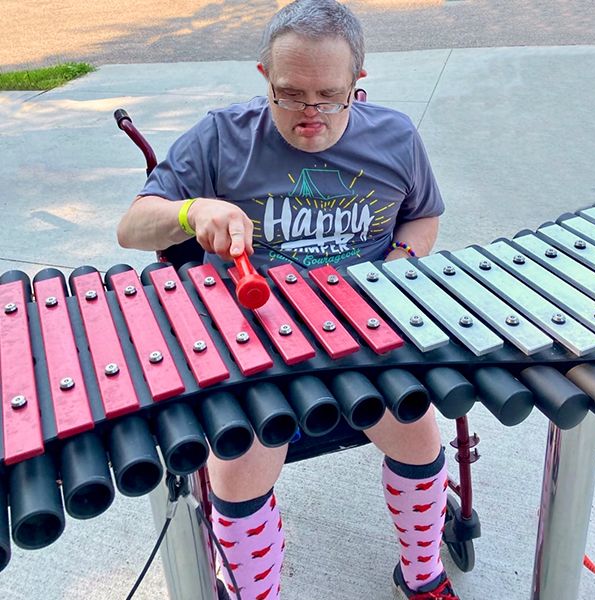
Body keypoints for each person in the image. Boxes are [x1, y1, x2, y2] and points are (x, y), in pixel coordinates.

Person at [117, 1, 458, 598]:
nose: (310, 114)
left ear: (359, 83)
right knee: (237, 463)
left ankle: (423, 575)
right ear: (263, 78)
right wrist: (192, 210)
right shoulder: (220, 138)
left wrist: (395, 274)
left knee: (421, 434)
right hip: (255, 343)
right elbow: (132, 228)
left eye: (329, 95)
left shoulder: (396, 136)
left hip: (362, 335)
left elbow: (422, 217)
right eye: (290, 93)